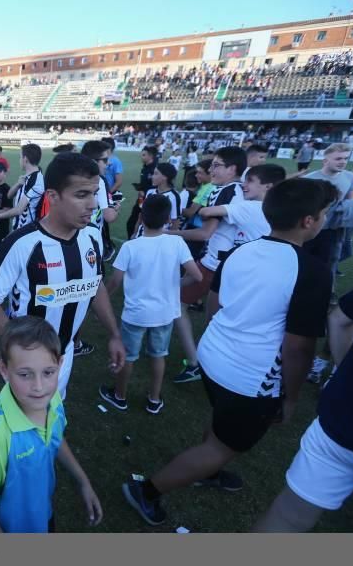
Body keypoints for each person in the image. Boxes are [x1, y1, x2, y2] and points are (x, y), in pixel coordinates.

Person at [122, 178, 335, 526]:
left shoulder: (242, 250)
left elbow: (213, 304)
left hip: (213, 355)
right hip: (251, 376)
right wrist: (291, 397)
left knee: (221, 419)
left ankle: (208, 470)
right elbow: (298, 345)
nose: (325, 219)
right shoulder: (312, 272)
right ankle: (146, 492)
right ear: (308, 221)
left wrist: (216, 341)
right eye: (324, 213)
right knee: (222, 446)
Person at [0, 152, 125, 399]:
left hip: (65, 354)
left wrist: (114, 334)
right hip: (29, 363)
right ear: (53, 197)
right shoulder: (21, 243)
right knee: (26, 429)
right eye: (81, 195)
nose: (93, 204)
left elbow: (94, 284)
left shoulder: (92, 236)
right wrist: (22, 354)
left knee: (52, 421)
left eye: (94, 193)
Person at [0, 316, 103, 533]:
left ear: (60, 365)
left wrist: (83, 481)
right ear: (4, 370)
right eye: (25, 374)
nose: (39, 387)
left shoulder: (53, 399)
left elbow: (55, 438)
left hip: (41, 516)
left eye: (48, 372)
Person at [253, 285, 353, 532]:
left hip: (342, 418)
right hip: (341, 423)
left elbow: (339, 319)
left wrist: (349, 377)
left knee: (288, 517)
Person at [101, 195, 201, 414]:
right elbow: (196, 276)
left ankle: (119, 396)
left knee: (127, 356)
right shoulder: (176, 242)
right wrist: (175, 285)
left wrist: (102, 297)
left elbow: (116, 280)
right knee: (159, 355)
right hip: (165, 313)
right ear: (167, 219)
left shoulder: (130, 246)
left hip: (136, 314)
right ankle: (154, 399)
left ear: (142, 217)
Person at [169, 146, 246, 384]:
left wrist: (169, 233)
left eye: (217, 165)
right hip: (218, 260)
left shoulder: (228, 191)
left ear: (232, 169)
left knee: (179, 302)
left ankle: (197, 362)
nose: (211, 169)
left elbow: (205, 233)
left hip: (218, 263)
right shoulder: (224, 189)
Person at [304, 143, 353, 288]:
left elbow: (348, 201)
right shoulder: (309, 179)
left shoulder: (350, 177)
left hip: (334, 229)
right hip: (310, 229)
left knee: (330, 262)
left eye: (346, 158)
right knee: (304, 260)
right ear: (325, 160)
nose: (343, 162)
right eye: (338, 158)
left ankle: (328, 291)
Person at [198, 164, 286, 244]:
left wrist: (204, 217)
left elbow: (206, 212)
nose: (243, 184)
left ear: (267, 186)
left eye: (250, 181)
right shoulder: (278, 208)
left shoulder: (250, 207)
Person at [0, 143, 44, 230]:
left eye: (20, 157)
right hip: (18, 228)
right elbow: (9, 196)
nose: (19, 160)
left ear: (25, 159)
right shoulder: (28, 176)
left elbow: (19, 210)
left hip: (25, 230)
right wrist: (18, 184)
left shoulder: (36, 181)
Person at [133, 162, 188, 237]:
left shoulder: (174, 196)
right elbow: (142, 212)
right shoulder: (150, 191)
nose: (152, 176)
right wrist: (135, 233)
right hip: (142, 234)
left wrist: (170, 239)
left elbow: (175, 222)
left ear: (165, 177)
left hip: (158, 236)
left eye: (156, 174)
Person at [126, 146, 159, 237]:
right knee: (132, 222)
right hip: (141, 199)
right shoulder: (145, 167)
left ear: (150, 156)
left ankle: (134, 241)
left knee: (138, 223)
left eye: (144, 155)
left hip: (149, 201)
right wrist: (140, 188)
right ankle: (132, 240)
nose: (141, 157)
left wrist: (145, 191)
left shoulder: (155, 169)